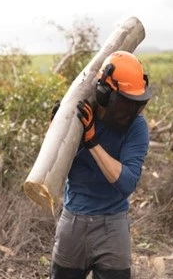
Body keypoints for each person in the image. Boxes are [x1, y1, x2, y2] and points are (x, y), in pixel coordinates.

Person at [50, 50, 152, 279]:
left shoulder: (137, 127)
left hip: (113, 226)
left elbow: (126, 183)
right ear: (104, 94)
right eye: (124, 103)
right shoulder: (80, 117)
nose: (129, 111)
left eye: (134, 103)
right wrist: (57, 129)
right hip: (73, 222)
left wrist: (92, 140)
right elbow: (56, 167)